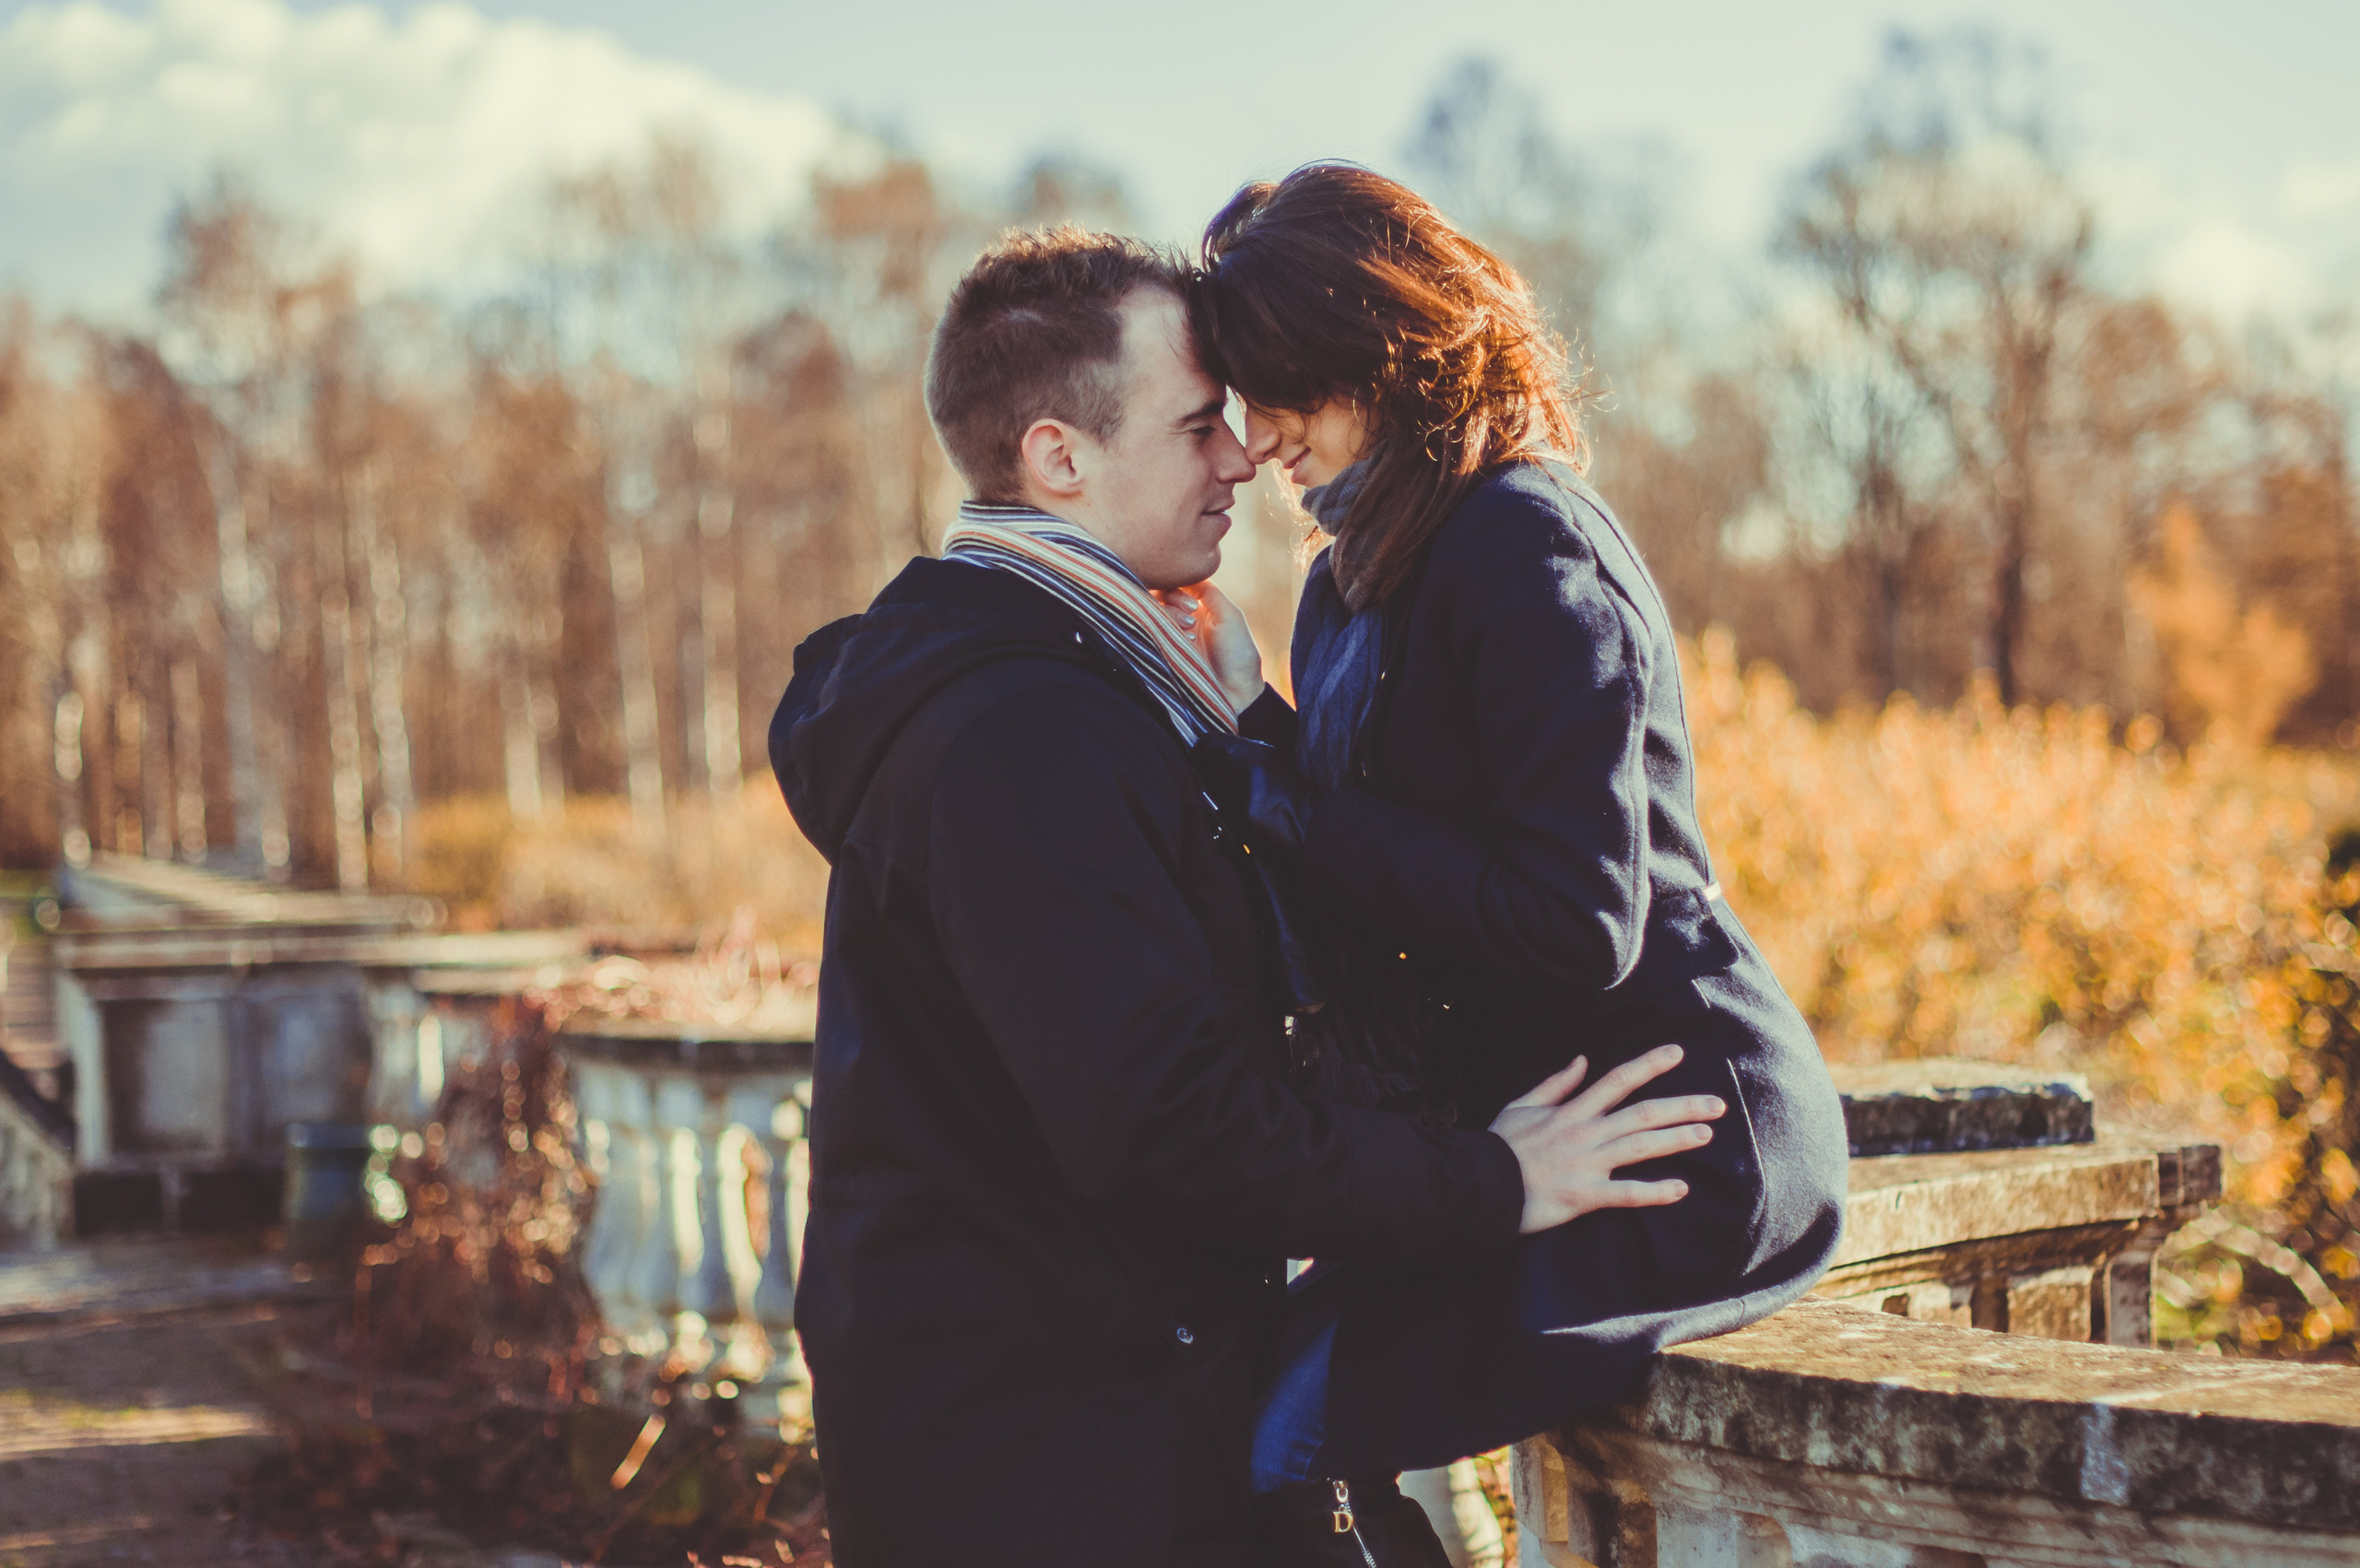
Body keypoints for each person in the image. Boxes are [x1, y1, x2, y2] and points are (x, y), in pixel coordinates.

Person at [767, 226, 1727, 1567]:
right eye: (1198, 423)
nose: (1244, 456)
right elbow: (1165, 1118)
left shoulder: (1078, 679)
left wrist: (1250, 731)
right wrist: (1495, 1179)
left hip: (1096, 1409)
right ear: (1060, 457)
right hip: (1059, 1466)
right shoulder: (1022, 731)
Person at [1178, 164, 1851, 1555]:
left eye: (1275, 389)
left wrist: (1278, 786)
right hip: (1521, 1138)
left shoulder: (1525, 538)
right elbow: (1375, 848)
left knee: (1279, 1438)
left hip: (1670, 1140)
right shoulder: (1348, 577)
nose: (1254, 440)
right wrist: (1253, 726)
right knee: (1226, 1402)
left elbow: (1573, 917)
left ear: (1373, 345)